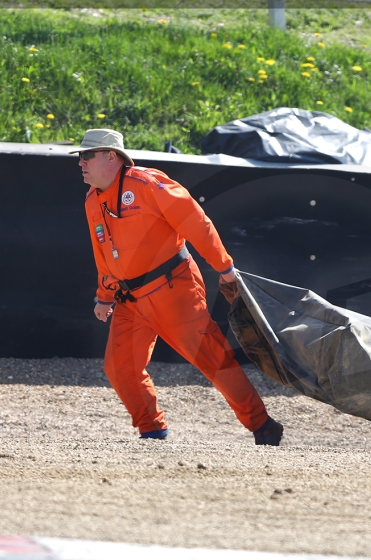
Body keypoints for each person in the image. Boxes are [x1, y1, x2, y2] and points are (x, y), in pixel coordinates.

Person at [70, 129, 283, 445]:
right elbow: (103, 254)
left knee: (214, 361)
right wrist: (104, 296)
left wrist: (224, 268)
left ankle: (262, 425)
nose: (80, 163)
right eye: (80, 157)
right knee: (121, 368)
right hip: (130, 300)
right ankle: (152, 431)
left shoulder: (146, 183)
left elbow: (197, 223)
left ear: (110, 157)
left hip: (174, 291)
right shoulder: (92, 201)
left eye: (87, 155)